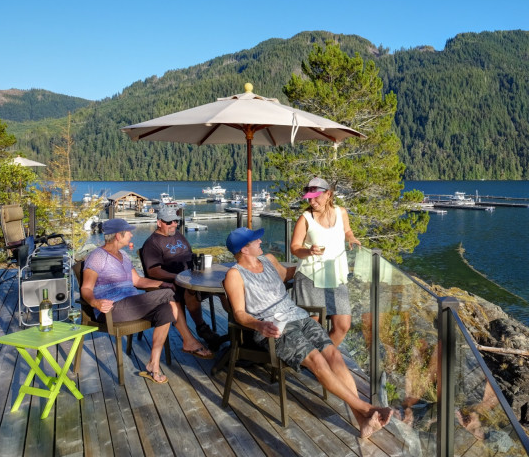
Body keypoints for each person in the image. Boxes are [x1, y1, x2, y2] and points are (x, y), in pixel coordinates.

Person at [224, 226, 392, 438]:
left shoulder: (268, 260)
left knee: (333, 355)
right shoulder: (235, 275)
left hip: (298, 316)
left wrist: (320, 263)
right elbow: (239, 313)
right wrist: (259, 325)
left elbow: (288, 274)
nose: (260, 241)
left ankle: (361, 420)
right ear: (244, 250)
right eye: (255, 241)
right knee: (317, 361)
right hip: (273, 328)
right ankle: (367, 409)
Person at [81, 218, 213, 384]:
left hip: (132, 304)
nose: (131, 234)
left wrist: (163, 283)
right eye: (128, 232)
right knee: (168, 294)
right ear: (117, 236)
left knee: (165, 310)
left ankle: (153, 364)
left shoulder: (123, 255)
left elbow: (138, 282)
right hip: (111, 309)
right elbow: (86, 288)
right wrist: (95, 302)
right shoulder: (97, 257)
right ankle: (189, 341)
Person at [290, 177, 361, 347]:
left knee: (343, 326)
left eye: (316, 197)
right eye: (309, 198)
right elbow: (294, 248)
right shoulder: (305, 218)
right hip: (310, 276)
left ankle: (321, 358)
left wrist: (351, 238)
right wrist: (308, 251)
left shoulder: (341, 212)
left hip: (336, 274)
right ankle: (315, 363)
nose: (312, 201)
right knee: (313, 326)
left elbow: (347, 230)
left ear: (328, 194)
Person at [140, 207, 223, 351]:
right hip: (174, 283)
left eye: (176, 221)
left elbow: (189, 255)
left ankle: (241, 329)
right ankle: (202, 328)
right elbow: (153, 271)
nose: (173, 224)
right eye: (169, 222)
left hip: (194, 276)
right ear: (159, 222)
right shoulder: (152, 243)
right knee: (190, 291)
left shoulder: (178, 235)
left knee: (225, 285)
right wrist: (179, 277)